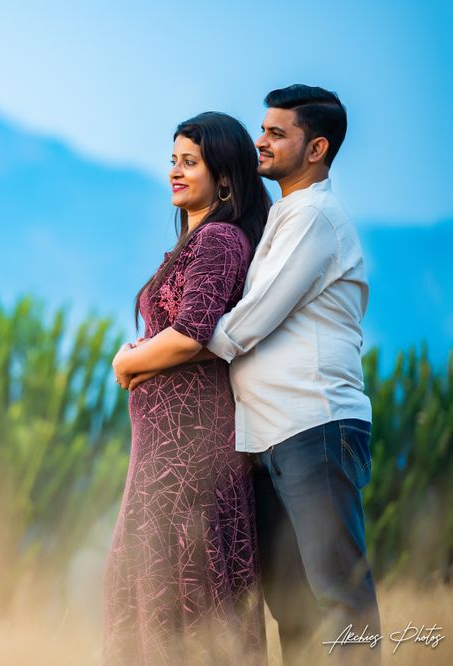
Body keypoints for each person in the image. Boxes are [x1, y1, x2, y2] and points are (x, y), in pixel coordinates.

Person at [121, 85, 381, 665]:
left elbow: (243, 326)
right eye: (262, 130)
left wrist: (142, 355)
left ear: (316, 148)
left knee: (338, 594)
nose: (260, 140)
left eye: (276, 133)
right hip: (267, 435)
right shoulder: (282, 220)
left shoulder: (315, 218)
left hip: (315, 424)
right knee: (291, 603)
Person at [101, 111, 271, 665]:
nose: (175, 172)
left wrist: (127, 364)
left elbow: (191, 333)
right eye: (173, 160)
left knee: (182, 581)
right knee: (150, 578)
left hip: (189, 451)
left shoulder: (219, 239)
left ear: (224, 177)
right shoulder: (195, 240)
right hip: (163, 449)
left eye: (189, 162)